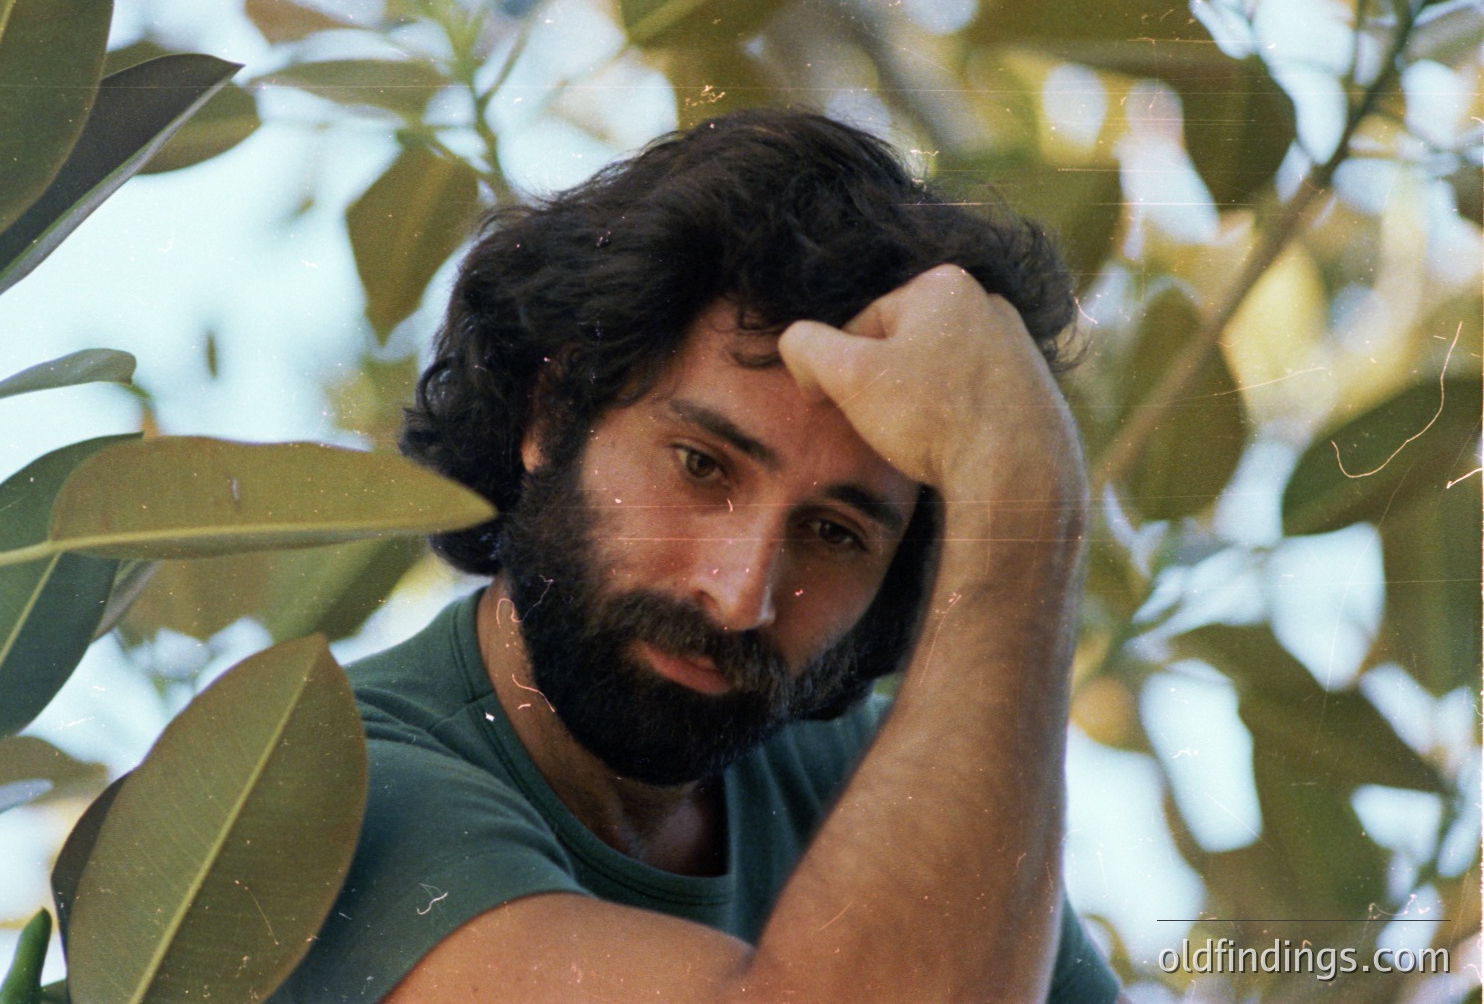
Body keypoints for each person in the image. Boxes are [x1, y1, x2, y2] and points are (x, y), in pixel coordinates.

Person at [274, 110, 1120, 1002]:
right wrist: (1027, 502)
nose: (742, 593)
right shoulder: (342, 792)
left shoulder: (860, 779)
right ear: (551, 415)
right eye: (701, 466)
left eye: (835, 534)